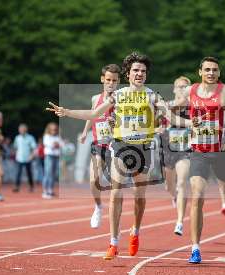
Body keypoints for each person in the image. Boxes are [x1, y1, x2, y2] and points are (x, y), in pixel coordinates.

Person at [46, 52, 191, 260]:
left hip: (143, 149)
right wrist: (67, 112)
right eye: (135, 70)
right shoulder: (119, 95)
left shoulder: (152, 95)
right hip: (121, 146)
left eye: (143, 71)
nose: (139, 73)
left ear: (146, 75)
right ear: (128, 73)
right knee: (116, 191)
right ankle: (113, 242)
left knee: (139, 198)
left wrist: (191, 123)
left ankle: (136, 231)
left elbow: (171, 116)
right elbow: (95, 114)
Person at [174, 57, 225, 263]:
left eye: (214, 70)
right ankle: (195, 248)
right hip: (198, 152)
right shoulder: (191, 91)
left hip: (221, 152)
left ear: (219, 73)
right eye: (207, 70)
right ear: (200, 72)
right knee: (197, 195)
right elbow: (171, 114)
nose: (211, 73)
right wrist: (188, 123)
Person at [78, 64, 120, 229]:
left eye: (114, 80)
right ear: (102, 79)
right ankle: (98, 206)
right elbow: (91, 115)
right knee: (93, 179)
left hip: (116, 146)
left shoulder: (121, 98)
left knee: (115, 185)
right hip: (99, 144)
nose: (111, 83)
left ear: (118, 82)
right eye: (108, 79)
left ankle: (115, 219)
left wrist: (115, 121)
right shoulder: (96, 98)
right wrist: (84, 132)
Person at [160, 76, 192, 235]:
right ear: (173, 89)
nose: (182, 90)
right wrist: (159, 129)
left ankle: (179, 221)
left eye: (185, 87)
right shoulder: (167, 106)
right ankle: (173, 197)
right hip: (168, 150)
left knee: (182, 184)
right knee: (169, 186)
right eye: (179, 87)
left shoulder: (194, 108)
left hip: (185, 152)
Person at [13, 124, 37, 192]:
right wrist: (15, 154)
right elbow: (15, 147)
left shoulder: (30, 137)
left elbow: (34, 148)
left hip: (28, 158)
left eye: (23, 129)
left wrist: (32, 156)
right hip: (19, 158)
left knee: (29, 173)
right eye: (20, 130)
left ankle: (31, 186)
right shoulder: (17, 138)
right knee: (18, 173)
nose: (21, 131)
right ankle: (16, 187)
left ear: (26, 130)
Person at [42, 122, 64, 199]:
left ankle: (50, 190)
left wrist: (57, 144)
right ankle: (45, 191)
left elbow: (62, 144)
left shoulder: (58, 137)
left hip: (56, 156)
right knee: (48, 173)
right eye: (52, 129)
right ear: (49, 130)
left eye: (55, 129)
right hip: (49, 156)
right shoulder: (46, 136)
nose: (54, 131)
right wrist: (55, 144)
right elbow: (48, 144)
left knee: (53, 174)